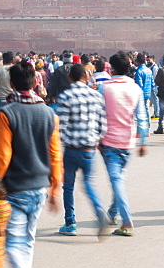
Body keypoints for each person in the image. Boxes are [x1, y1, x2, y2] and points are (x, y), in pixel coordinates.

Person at [0, 60, 61, 268]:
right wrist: (55, 187)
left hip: (15, 189)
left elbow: (2, 155)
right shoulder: (48, 113)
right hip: (39, 188)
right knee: (27, 243)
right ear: (34, 82)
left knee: (13, 245)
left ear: (11, 83)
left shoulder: (7, 113)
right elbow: (54, 153)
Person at [56, 63, 108, 237]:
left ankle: (70, 223)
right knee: (88, 184)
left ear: (69, 78)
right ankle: (99, 210)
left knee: (68, 187)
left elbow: (60, 126)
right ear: (85, 77)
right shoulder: (96, 96)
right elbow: (103, 126)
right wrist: (95, 139)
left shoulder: (66, 96)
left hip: (71, 149)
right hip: (89, 149)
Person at [100, 51, 149, 236]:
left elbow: (100, 115)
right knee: (118, 178)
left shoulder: (105, 88)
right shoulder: (135, 88)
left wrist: (97, 138)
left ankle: (126, 221)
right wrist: (144, 141)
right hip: (127, 142)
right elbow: (142, 117)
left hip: (109, 142)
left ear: (111, 69)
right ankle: (113, 213)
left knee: (117, 180)